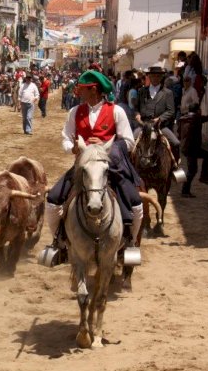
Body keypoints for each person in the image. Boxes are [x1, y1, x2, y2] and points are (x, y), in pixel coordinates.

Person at [44, 70, 143, 264]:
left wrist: (106, 145)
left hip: (110, 169)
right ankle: (60, 242)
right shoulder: (75, 111)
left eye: (82, 89)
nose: (78, 93)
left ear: (94, 90)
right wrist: (71, 148)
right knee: (52, 200)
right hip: (82, 168)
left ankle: (130, 242)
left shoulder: (116, 111)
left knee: (137, 205)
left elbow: (129, 142)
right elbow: (66, 137)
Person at [133, 66, 181, 163]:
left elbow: (171, 111)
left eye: (158, 76)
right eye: (153, 76)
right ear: (149, 77)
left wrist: (160, 119)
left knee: (176, 143)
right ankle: (129, 169)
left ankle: (175, 167)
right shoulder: (141, 91)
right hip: (144, 125)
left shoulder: (167, 93)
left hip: (160, 126)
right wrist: (137, 115)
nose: (155, 78)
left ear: (161, 77)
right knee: (130, 143)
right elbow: (136, 108)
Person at [177, 103, 208, 198]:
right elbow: (207, 118)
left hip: (185, 147)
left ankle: (203, 177)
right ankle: (186, 190)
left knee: (206, 157)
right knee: (192, 170)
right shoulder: (196, 118)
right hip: (192, 148)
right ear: (198, 111)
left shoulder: (182, 119)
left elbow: (178, 132)